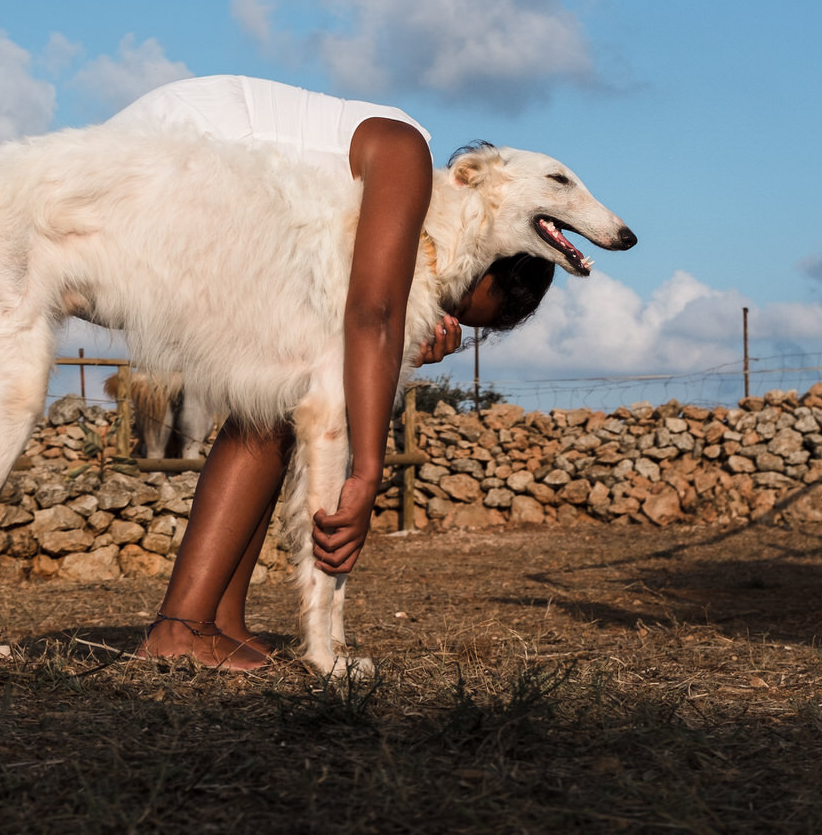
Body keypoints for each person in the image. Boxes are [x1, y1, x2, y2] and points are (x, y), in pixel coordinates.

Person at [109, 76, 547, 670]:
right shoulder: (407, 156)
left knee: (283, 396)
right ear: (482, 256)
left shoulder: (402, 209)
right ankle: (180, 627)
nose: (444, 314)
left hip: (180, 166)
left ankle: (217, 619)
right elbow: (372, 314)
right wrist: (367, 471)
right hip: (169, 164)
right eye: (458, 303)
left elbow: (369, 322)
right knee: (290, 383)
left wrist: (402, 335)